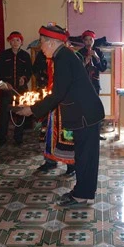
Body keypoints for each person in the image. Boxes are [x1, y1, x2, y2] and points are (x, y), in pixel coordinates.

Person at [16, 25, 105, 206]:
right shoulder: (63, 55)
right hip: (84, 113)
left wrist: (33, 110)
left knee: (86, 157)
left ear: (51, 42)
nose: (41, 47)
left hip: (85, 114)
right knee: (83, 155)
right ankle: (83, 191)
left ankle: (83, 195)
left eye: (42, 43)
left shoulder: (63, 58)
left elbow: (57, 93)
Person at [34, 25, 76, 177]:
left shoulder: (66, 56)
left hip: (64, 103)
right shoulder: (46, 55)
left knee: (66, 135)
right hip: (51, 99)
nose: (41, 46)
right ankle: (50, 160)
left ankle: (71, 165)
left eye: (42, 42)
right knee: (48, 132)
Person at [0, 31, 32, 146]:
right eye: (12, 40)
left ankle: (18, 138)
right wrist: (5, 83)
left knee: (20, 113)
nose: (15, 43)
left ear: (21, 42)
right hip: (8, 89)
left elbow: (29, 71)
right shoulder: (3, 55)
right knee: (4, 115)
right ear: (9, 42)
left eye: (18, 40)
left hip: (21, 90)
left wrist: (24, 78)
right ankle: (2, 138)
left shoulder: (26, 56)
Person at [78, 30, 108, 140]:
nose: (89, 42)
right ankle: (84, 132)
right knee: (84, 108)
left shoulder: (98, 52)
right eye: (86, 40)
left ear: (94, 40)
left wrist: (96, 57)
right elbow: (76, 70)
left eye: (91, 39)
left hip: (95, 85)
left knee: (95, 108)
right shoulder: (80, 53)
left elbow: (103, 68)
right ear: (83, 41)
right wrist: (85, 62)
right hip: (83, 85)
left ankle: (96, 132)